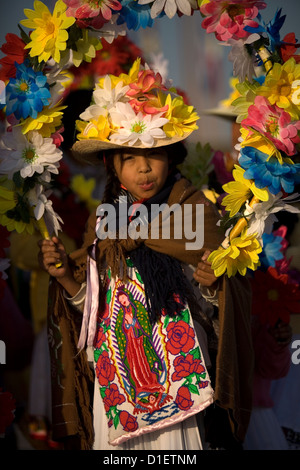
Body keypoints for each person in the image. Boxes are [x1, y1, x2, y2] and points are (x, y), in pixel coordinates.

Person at [38, 60, 254, 450]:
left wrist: (211, 284)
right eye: (129, 158)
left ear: (171, 157)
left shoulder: (193, 211)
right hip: (119, 378)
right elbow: (94, 307)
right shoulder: (101, 223)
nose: (144, 169)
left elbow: (219, 305)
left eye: (153, 155)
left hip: (179, 374)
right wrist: (66, 277)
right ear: (111, 165)